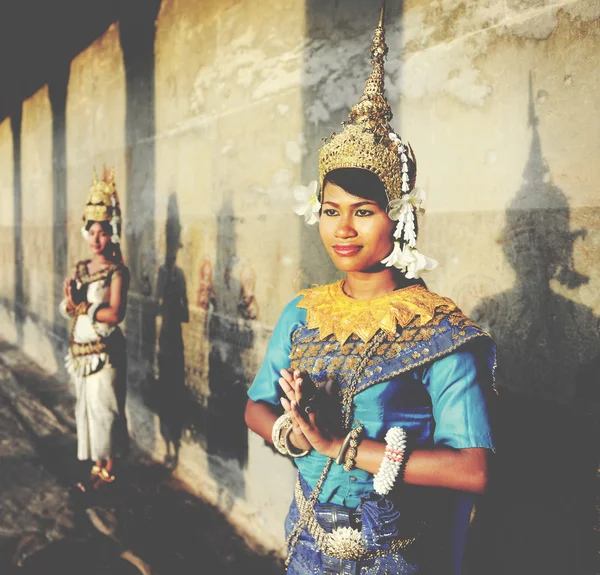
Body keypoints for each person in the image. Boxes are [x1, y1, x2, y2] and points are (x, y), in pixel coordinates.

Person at [245, 4, 495, 574]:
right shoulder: (303, 312)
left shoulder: (438, 328)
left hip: (395, 550)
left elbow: (472, 469)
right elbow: (255, 407)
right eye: (331, 210)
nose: (342, 229)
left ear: (399, 218)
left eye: (363, 211)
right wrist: (294, 432)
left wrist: (340, 447)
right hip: (307, 536)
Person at [59, 167, 130, 493]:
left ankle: (110, 472)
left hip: (107, 353)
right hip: (81, 352)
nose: (95, 240)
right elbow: (72, 308)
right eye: (91, 233)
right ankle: (97, 466)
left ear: (111, 233)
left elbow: (114, 314)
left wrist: (83, 305)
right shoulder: (81, 268)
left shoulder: (118, 271)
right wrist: (70, 302)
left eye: (102, 233)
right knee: (87, 410)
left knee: (107, 411)